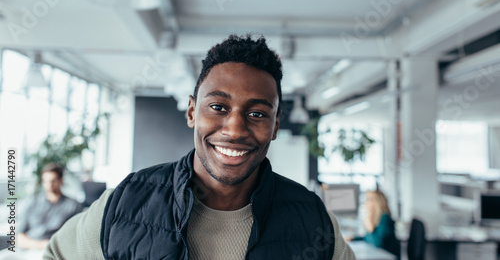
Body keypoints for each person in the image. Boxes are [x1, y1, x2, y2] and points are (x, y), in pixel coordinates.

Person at [44, 34, 355, 259]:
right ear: (192, 112)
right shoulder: (125, 203)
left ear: (275, 125)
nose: (235, 129)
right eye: (218, 107)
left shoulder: (313, 220)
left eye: (257, 113)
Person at [19, 163, 83, 250]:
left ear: (61, 180)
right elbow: (18, 237)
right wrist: (39, 245)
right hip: (28, 248)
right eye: (45, 181)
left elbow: (76, 237)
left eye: (53, 181)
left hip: (54, 251)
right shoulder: (32, 203)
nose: (49, 185)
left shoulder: (73, 206)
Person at [361, 190, 400, 258]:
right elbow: (367, 238)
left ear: (377, 202)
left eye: (369, 199)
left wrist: (370, 228)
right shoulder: (375, 218)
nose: (365, 202)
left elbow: (377, 244)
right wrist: (353, 239)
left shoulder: (384, 218)